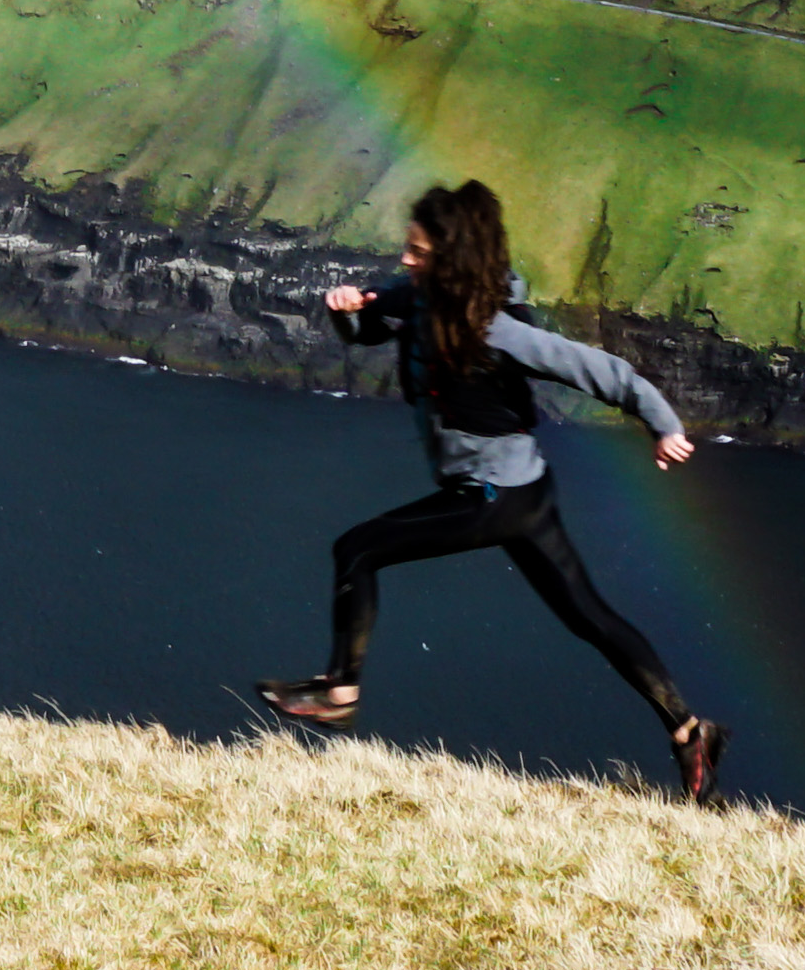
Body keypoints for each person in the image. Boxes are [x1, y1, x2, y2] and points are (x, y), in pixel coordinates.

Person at [258, 177, 729, 801]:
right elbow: (372, 326)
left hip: (492, 495)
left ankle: (339, 693)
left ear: (450, 260)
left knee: (357, 550)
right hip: (524, 495)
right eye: (408, 247)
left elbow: (601, 371)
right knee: (590, 618)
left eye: (419, 252)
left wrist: (663, 424)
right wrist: (343, 311)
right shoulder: (418, 298)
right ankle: (691, 732)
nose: (405, 259)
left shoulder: (496, 330)